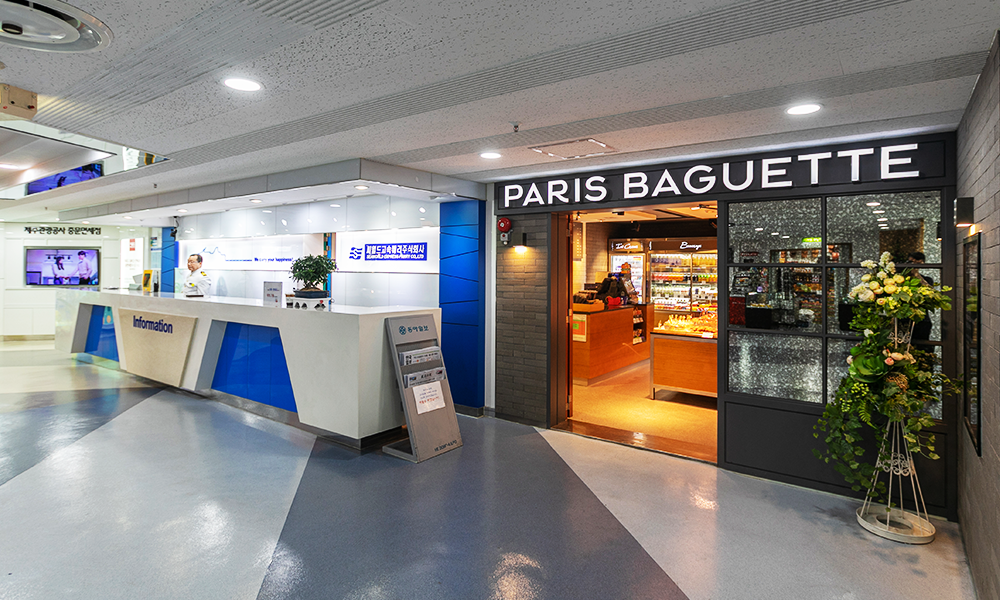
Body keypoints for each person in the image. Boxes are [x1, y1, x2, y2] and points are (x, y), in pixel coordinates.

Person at [908, 252, 933, 341]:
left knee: (921, 344)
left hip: (922, 320)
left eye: (917, 263)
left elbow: (930, 292)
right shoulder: (901, 279)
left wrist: (916, 274)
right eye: (911, 263)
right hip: (904, 319)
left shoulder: (927, 280)